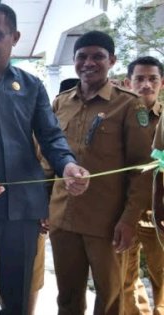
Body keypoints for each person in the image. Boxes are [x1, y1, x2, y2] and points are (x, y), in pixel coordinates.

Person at [0, 4, 89, 314]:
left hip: (22, 209)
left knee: (18, 298)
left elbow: (50, 136)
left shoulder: (31, 85)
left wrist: (67, 165)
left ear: (15, 37)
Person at [50, 31, 153, 314]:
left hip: (106, 223)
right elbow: (47, 159)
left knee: (110, 298)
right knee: (67, 297)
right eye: (82, 57)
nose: (89, 63)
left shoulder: (129, 104)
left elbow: (141, 170)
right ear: (74, 61)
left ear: (112, 61)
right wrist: (43, 207)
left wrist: (129, 219)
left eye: (98, 56)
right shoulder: (61, 103)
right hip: (63, 218)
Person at [122, 56, 164, 315]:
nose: (146, 85)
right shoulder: (118, 118)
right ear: (128, 82)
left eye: (152, 79)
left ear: (162, 83)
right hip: (125, 210)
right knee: (124, 275)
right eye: (139, 78)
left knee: (161, 273)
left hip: (157, 211)